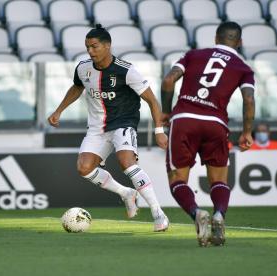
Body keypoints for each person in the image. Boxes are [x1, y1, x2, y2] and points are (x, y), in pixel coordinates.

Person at [48, 24, 170, 232]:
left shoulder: (126, 70)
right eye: (87, 47)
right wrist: (59, 110)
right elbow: (77, 87)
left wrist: (159, 131)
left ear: (107, 46)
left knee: (127, 164)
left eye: (94, 47)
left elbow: (152, 100)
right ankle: (126, 193)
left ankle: (158, 212)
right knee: (84, 168)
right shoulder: (83, 68)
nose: (90, 51)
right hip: (97, 128)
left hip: (123, 123)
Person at [161, 22, 255, 246]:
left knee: (177, 179)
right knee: (219, 180)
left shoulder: (193, 55)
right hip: (216, 124)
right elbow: (249, 100)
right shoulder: (243, 68)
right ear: (239, 42)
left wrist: (165, 112)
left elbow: (168, 80)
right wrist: (247, 132)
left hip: (184, 120)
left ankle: (196, 214)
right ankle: (219, 215)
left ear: (216, 38)